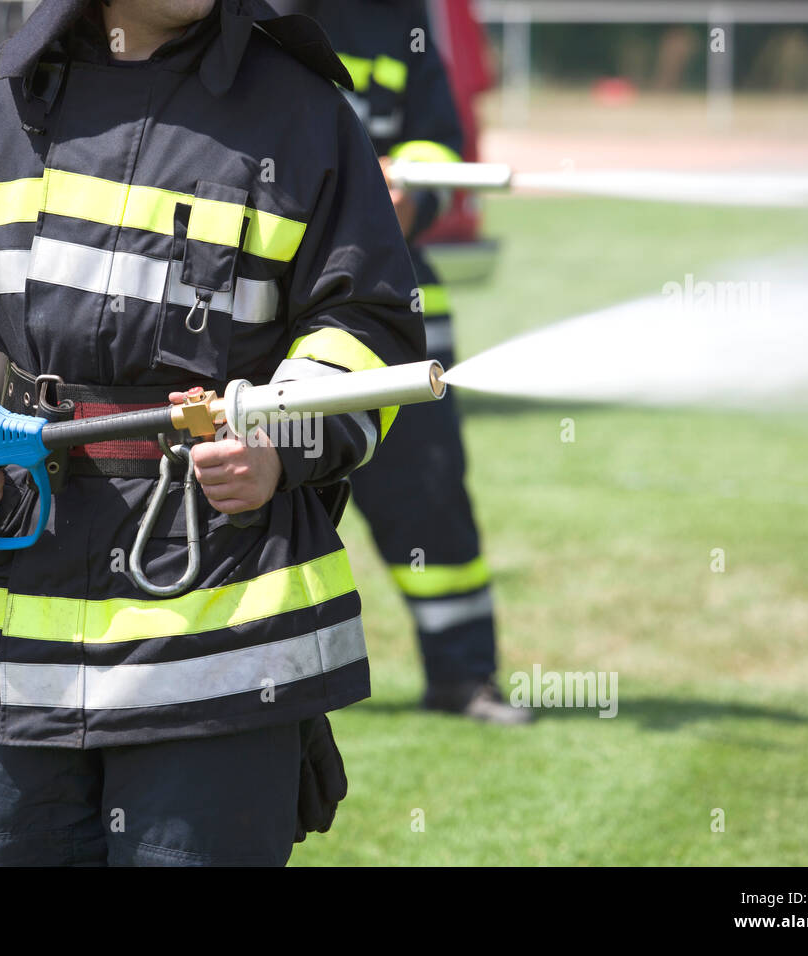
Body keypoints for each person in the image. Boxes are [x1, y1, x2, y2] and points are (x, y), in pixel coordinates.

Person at [0, 0, 423, 866]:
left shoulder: (302, 114)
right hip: (16, 641)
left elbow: (369, 325)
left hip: (222, 650)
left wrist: (279, 443)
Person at [275, 0, 529, 724]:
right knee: (264, 495)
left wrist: (411, 187)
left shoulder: (397, 18)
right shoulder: (243, 16)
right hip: (274, 309)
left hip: (399, 309)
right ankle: (260, 683)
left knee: (430, 496)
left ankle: (462, 676)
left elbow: (443, 141)